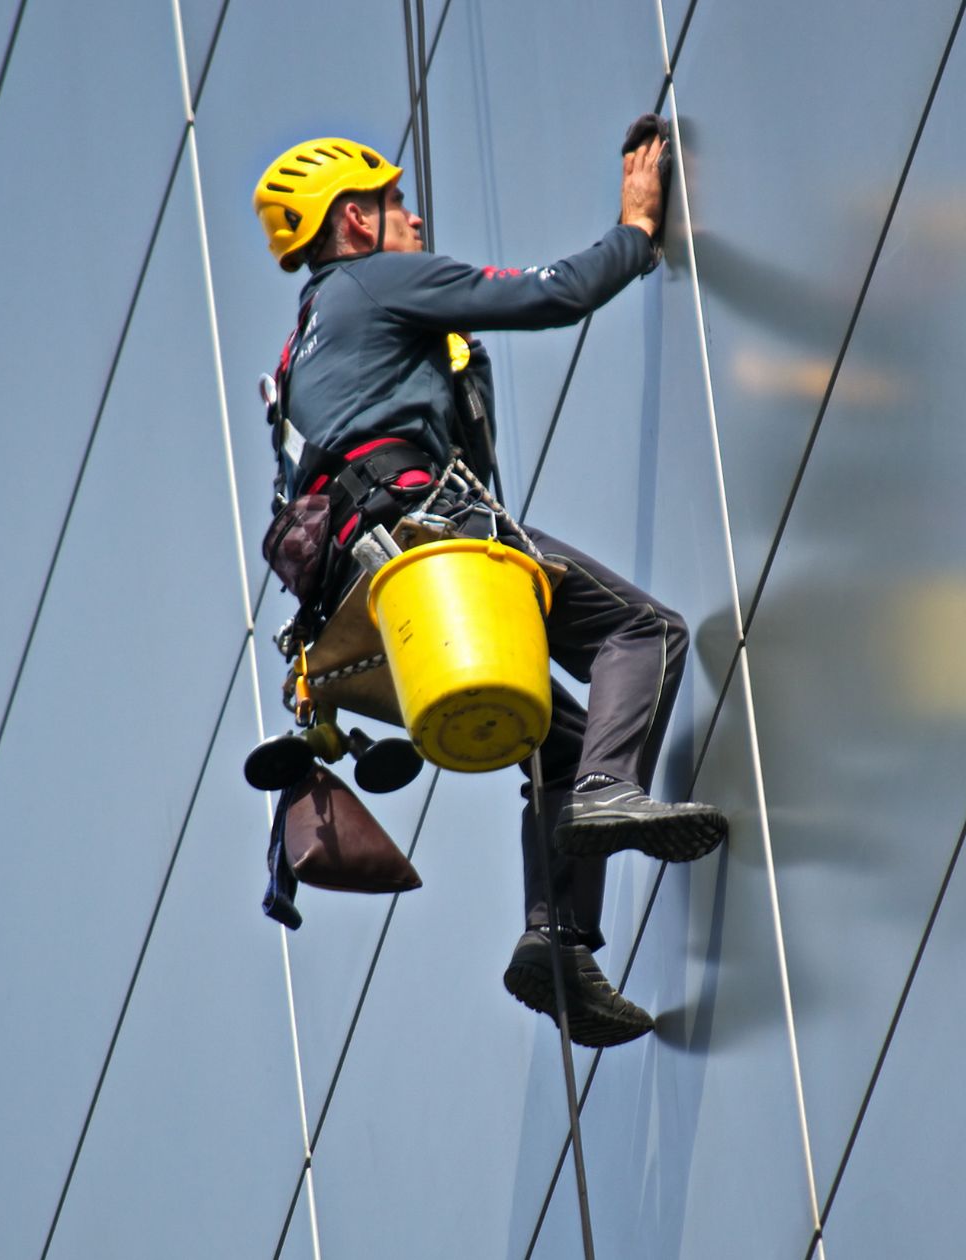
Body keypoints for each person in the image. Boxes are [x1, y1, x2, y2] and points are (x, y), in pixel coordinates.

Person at [252, 132, 725, 1047]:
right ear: (356, 219)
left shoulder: (300, 350)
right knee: (646, 633)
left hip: (364, 601)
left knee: (562, 736)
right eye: (396, 203)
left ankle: (556, 945)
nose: (415, 217)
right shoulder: (374, 283)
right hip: (428, 540)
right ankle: (608, 793)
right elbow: (550, 294)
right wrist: (635, 231)